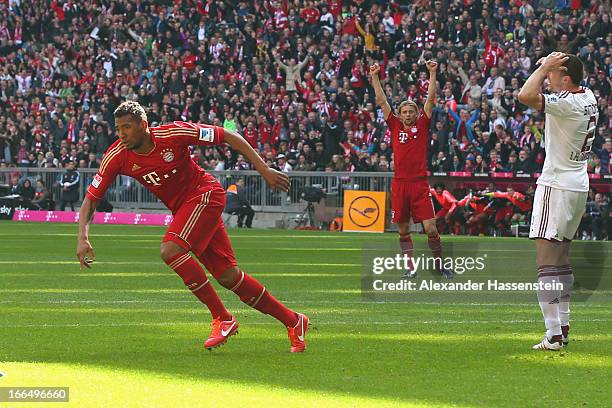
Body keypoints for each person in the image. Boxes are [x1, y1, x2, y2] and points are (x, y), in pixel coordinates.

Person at [76, 101, 309, 352]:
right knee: (229, 276)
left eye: (127, 127)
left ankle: (223, 318)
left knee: (170, 250)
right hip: (186, 210)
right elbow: (91, 198)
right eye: (118, 128)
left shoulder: (173, 134)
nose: (121, 134)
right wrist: (82, 237)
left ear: (143, 125)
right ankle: (294, 321)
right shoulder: (117, 155)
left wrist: (263, 169)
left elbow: (228, 135)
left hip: (205, 194)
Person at [518, 52, 599, 351]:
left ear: (566, 79)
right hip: (577, 184)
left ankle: (552, 334)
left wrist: (542, 69)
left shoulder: (567, 103)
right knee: (562, 256)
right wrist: (549, 66)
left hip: (557, 183)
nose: (548, 80)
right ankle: (562, 326)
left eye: (554, 75)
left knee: (545, 260)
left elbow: (525, 95)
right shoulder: (588, 96)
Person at [370, 61, 453, 279]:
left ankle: (439, 265)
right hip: (399, 185)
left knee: (431, 229)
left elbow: (431, 98)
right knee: (403, 230)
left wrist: (433, 72)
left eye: (411, 111)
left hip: (419, 184)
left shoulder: (423, 125)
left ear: (416, 114)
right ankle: (410, 267)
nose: (408, 114)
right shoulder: (394, 125)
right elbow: (381, 100)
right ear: (400, 114)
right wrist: (375, 76)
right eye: (404, 111)